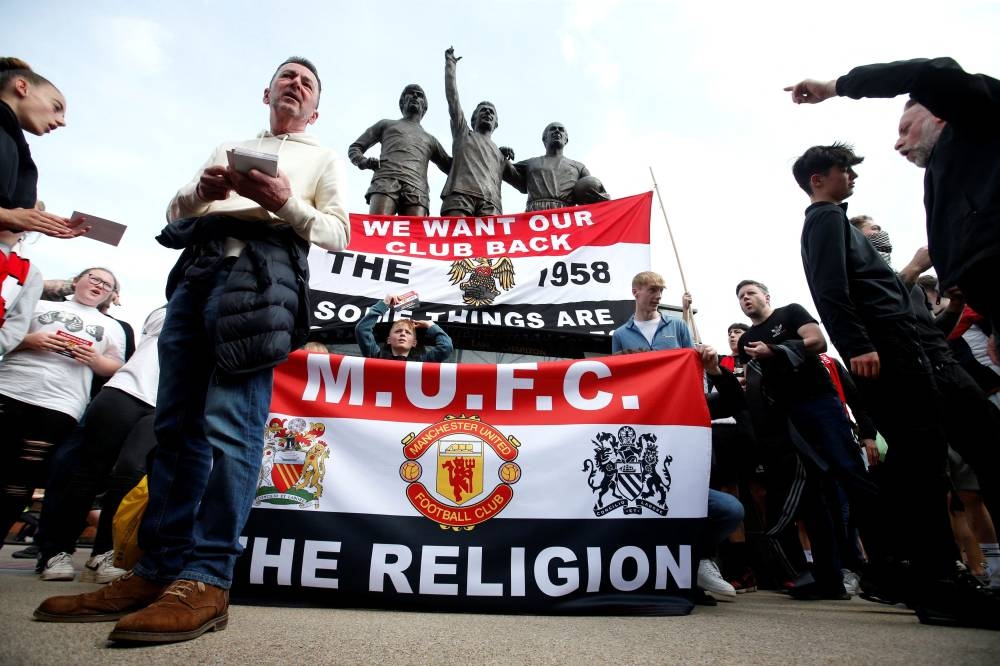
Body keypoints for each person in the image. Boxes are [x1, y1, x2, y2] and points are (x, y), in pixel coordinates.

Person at [34, 57, 350, 644]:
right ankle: (157, 570)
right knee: (175, 428)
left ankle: (207, 579)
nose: (296, 84)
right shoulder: (229, 147)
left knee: (231, 429)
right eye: (287, 77)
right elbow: (176, 211)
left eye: (307, 83)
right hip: (198, 274)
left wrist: (285, 200)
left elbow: (338, 232)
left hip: (261, 282)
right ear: (266, 93)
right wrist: (200, 190)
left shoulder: (323, 158)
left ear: (315, 110)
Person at [794, 142, 1000, 627]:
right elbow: (829, 289)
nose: (852, 177)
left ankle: (935, 577)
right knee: (920, 463)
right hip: (887, 353)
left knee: (948, 451)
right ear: (819, 178)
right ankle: (936, 582)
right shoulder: (824, 221)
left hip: (914, 348)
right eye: (844, 170)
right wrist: (857, 344)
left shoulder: (840, 224)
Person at [785, 58, 1000, 347]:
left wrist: (833, 87)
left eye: (905, 129)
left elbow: (926, 74)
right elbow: (831, 288)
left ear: (938, 114)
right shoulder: (828, 218)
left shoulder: (977, 116)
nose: (898, 143)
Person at [736, 279, 883, 600]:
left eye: (751, 293)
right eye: (741, 296)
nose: (745, 299)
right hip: (786, 420)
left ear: (766, 296)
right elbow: (753, 382)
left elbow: (818, 342)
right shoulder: (745, 339)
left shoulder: (790, 313)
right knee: (814, 495)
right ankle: (830, 579)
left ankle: (888, 567)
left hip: (819, 404)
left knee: (851, 476)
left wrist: (775, 350)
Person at [33, 306, 165, 582]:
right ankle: (56, 551)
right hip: (125, 391)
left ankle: (106, 553)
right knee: (88, 472)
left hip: (163, 403)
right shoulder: (169, 311)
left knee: (131, 472)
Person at [0, 267, 126, 544]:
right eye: (94, 278)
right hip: (9, 389)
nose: (99, 285)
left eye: (107, 284)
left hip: (59, 405)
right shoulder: (39, 306)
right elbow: (5, 337)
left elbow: (116, 367)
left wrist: (94, 360)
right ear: (76, 281)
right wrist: (29, 340)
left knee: (21, 479)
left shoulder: (113, 327)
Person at [0, 57, 82, 239]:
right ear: (22, 87)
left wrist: (31, 220)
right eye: (56, 107)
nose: (62, 122)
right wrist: (9, 216)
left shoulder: (13, 146)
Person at [348, 84, 452, 216]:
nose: (415, 96)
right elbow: (355, 148)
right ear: (402, 102)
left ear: (424, 107)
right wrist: (363, 161)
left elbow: (451, 167)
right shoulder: (386, 124)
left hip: (417, 190)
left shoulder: (430, 140)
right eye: (411, 93)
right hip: (386, 181)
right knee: (379, 226)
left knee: (415, 230)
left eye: (419, 95)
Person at [440, 48, 516, 217]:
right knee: (456, 235)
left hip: (491, 203)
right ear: (473, 119)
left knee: (491, 236)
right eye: (483, 110)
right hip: (460, 195)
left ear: (496, 124)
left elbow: (522, 182)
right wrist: (450, 65)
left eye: (491, 112)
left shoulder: (500, 155)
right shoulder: (463, 133)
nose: (488, 113)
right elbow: (453, 99)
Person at [508, 122, 608, 211]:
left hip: (565, 213)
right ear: (544, 138)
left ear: (566, 140)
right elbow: (504, 169)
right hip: (535, 212)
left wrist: (604, 201)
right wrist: (502, 155)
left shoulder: (579, 167)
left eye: (561, 129)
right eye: (553, 129)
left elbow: (595, 192)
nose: (557, 131)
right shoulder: (531, 163)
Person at [611, 271, 692, 354]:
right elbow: (618, 362)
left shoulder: (678, 325)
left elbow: (691, 359)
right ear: (635, 292)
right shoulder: (620, 335)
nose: (659, 296)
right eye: (652, 290)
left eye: (661, 291)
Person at [355, 294, 453, 361]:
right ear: (388, 340)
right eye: (398, 331)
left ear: (414, 342)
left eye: (408, 332)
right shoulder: (376, 356)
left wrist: (431, 325)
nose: (402, 334)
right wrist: (384, 304)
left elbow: (446, 348)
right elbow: (362, 330)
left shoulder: (421, 363)